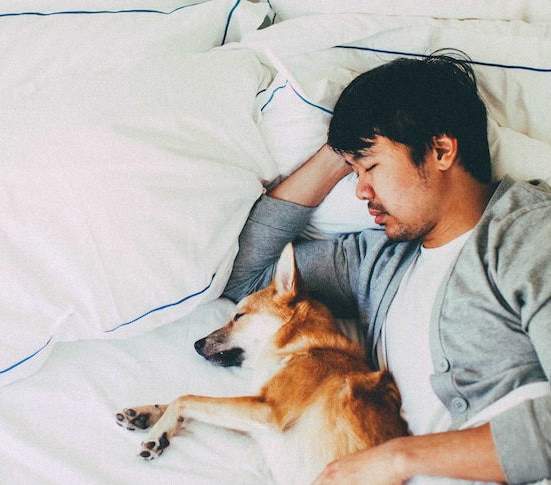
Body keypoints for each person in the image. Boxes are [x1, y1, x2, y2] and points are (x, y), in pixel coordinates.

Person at [222, 52, 551, 484]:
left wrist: (399, 458)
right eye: (353, 171)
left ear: (441, 149)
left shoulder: (530, 235)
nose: (359, 190)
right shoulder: (376, 263)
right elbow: (247, 280)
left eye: (371, 165)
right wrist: (338, 151)